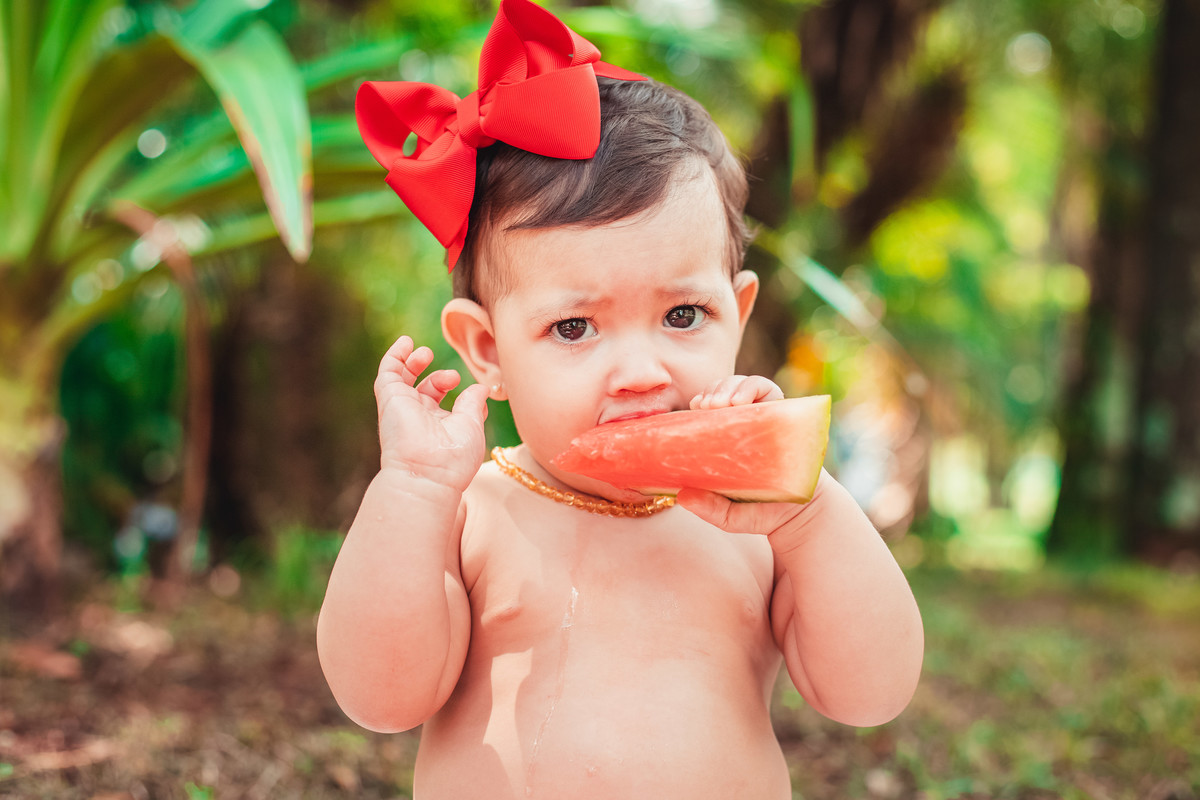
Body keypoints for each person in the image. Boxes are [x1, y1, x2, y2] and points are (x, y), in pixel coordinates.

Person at [317, 1, 923, 796]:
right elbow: (381, 700)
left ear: (736, 314)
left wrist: (810, 518)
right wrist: (414, 493)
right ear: (488, 352)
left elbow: (870, 695)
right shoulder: (473, 514)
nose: (640, 371)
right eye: (574, 327)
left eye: (682, 316)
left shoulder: (761, 525)